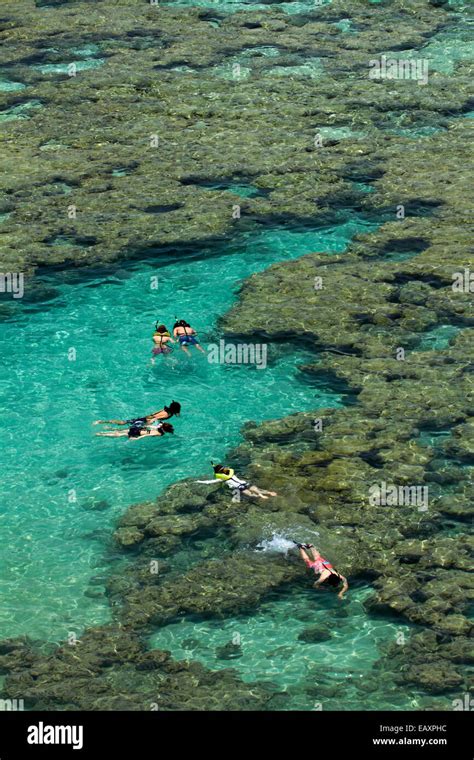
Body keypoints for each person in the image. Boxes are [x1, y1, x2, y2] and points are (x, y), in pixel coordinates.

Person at [93, 401, 181, 428]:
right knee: (130, 429)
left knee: (123, 422)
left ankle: (101, 422)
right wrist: (146, 425)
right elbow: (155, 418)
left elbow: (153, 414)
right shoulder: (167, 414)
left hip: (144, 418)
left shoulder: (165, 409)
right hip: (145, 421)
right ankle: (108, 428)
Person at [212, 463, 277, 499]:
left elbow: (209, 482)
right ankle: (269, 493)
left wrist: (201, 481)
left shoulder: (221, 478)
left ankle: (260, 496)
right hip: (244, 483)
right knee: (256, 489)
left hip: (239, 487)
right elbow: (248, 466)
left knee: (251, 495)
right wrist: (255, 465)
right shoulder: (230, 472)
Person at [95, 421, 174, 440]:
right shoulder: (160, 433)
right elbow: (147, 435)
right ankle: (100, 434)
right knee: (118, 434)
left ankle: (107, 428)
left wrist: (144, 425)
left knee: (121, 430)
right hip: (137, 433)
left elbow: (151, 426)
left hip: (138, 428)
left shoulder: (159, 426)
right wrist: (137, 438)